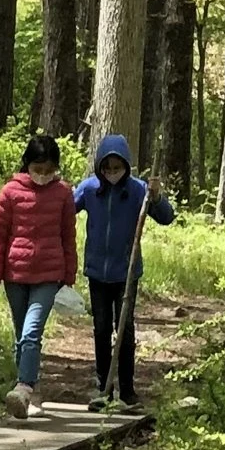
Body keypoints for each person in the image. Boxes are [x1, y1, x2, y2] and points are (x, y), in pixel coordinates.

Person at [72, 132, 175, 410]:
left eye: (117, 168)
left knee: (125, 330)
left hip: (126, 273)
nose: (112, 173)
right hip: (97, 272)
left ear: (126, 168)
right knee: (101, 329)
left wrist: (157, 197)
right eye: (107, 168)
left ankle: (128, 390)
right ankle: (103, 388)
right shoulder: (90, 189)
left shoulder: (139, 190)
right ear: (100, 168)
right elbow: (65, 208)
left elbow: (167, 217)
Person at [0, 131, 77, 418]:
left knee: (31, 333)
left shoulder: (63, 194)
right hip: (16, 275)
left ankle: (24, 388)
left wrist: (69, 275)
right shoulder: (9, 193)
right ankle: (25, 395)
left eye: (49, 171)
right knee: (20, 336)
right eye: (38, 170)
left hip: (49, 275)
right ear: (27, 165)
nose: (43, 176)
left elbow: (68, 236)